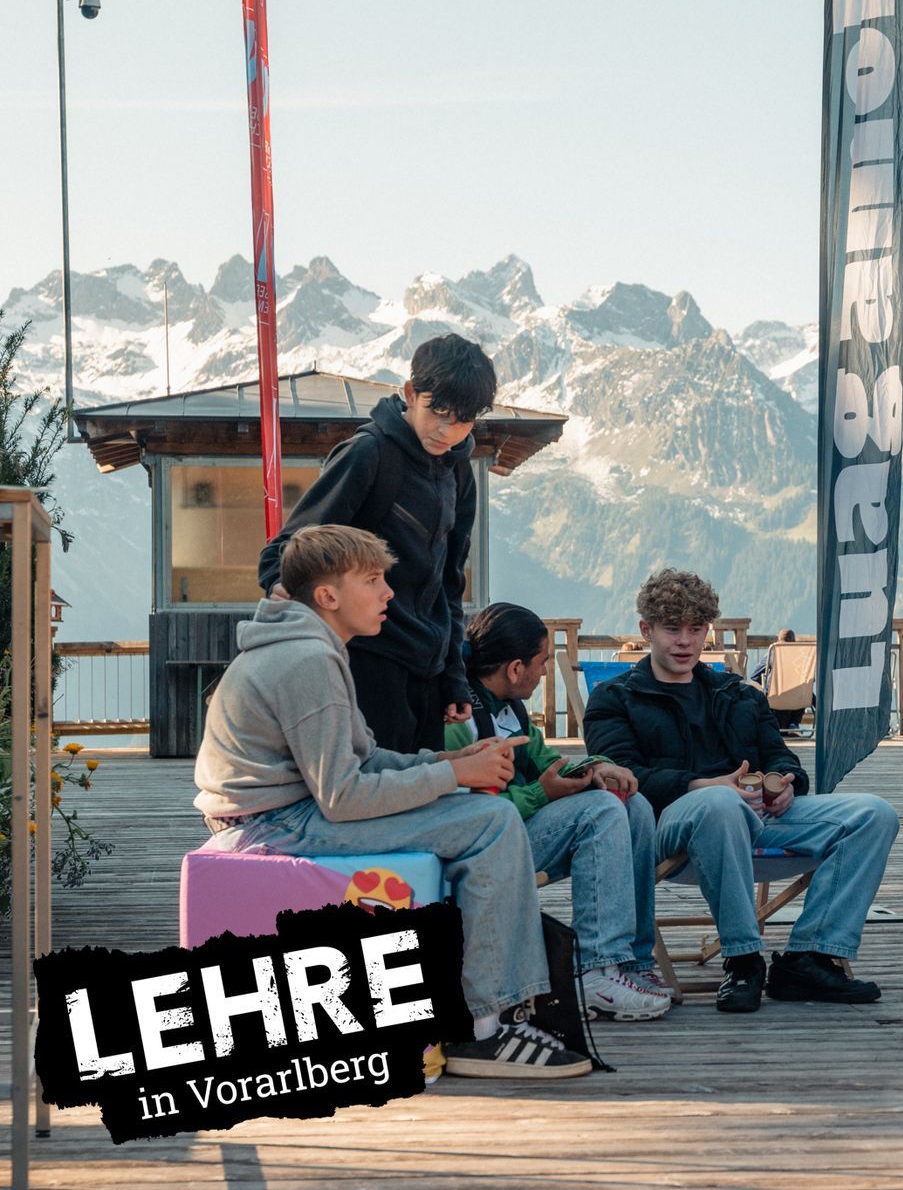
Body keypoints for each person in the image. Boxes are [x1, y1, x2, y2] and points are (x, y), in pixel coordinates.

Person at [195, 525, 590, 1079]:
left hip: (278, 812)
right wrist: (454, 777)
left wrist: (448, 761)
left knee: (490, 816)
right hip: (272, 824)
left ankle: (483, 1009)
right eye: (372, 580)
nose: (388, 593)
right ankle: (485, 1029)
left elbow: (364, 757)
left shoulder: (310, 647)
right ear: (328, 596)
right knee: (492, 822)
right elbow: (343, 795)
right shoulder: (306, 661)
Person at [583, 569, 899, 1014]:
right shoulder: (616, 698)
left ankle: (809, 957)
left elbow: (781, 756)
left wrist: (786, 784)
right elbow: (623, 777)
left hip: (757, 818)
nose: (685, 641)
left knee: (874, 814)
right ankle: (743, 958)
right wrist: (703, 785)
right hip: (670, 829)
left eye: (696, 629)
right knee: (720, 802)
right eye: (672, 629)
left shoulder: (737, 693)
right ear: (646, 630)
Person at [259, 333, 498, 753]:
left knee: (422, 788)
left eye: (462, 421)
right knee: (369, 784)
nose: (446, 430)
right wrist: (285, 591)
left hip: (426, 673)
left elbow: (449, 582)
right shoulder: (368, 454)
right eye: (437, 412)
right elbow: (286, 551)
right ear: (411, 393)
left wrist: (453, 675)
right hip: (365, 660)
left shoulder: (460, 474)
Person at [446, 602, 674, 1021]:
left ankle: (631, 962)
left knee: (633, 806)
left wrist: (597, 767)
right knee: (599, 811)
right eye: (543, 662)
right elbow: (468, 813)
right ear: (516, 668)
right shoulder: (460, 719)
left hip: (516, 831)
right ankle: (595, 971)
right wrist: (540, 794)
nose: (545, 672)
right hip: (481, 848)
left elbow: (549, 762)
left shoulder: (510, 708)